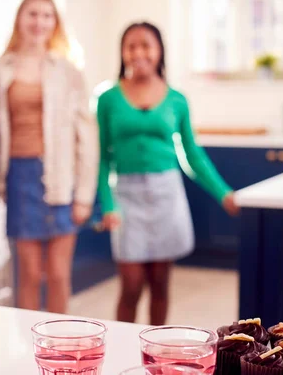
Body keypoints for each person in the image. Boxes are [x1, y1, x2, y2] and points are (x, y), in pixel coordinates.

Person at [96, 22, 240, 325]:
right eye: (131, 46)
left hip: (166, 195)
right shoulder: (108, 99)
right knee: (131, 285)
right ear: (122, 52)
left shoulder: (177, 99)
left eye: (146, 45)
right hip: (127, 198)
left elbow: (193, 155)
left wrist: (223, 192)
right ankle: (123, 351)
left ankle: (156, 356)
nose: (138, 52)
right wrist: (108, 205)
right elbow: (102, 158)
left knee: (160, 282)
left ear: (159, 50)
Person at [0, 0, 98, 314]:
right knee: (30, 275)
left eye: (47, 15)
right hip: (20, 179)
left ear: (55, 23)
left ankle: (60, 347)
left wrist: (84, 196)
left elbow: (86, 138)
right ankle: (28, 347)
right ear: (20, 19)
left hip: (61, 178)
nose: (39, 21)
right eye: (32, 14)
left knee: (60, 274)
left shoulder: (68, 71)